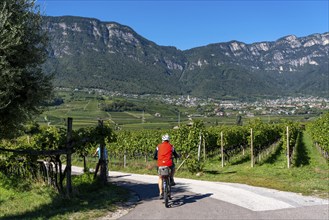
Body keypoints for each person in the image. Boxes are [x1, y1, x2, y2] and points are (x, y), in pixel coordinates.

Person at [154, 134, 180, 199]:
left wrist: (156, 158)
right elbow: (175, 154)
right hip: (169, 163)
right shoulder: (171, 146)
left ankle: (160, 192)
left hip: (160, 164)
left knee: (160, 177)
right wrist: (177, 156)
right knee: (173, 167)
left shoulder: (158, 146)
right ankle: (171, 178)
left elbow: (155, 155)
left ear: (162, 140)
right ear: (168, 140)